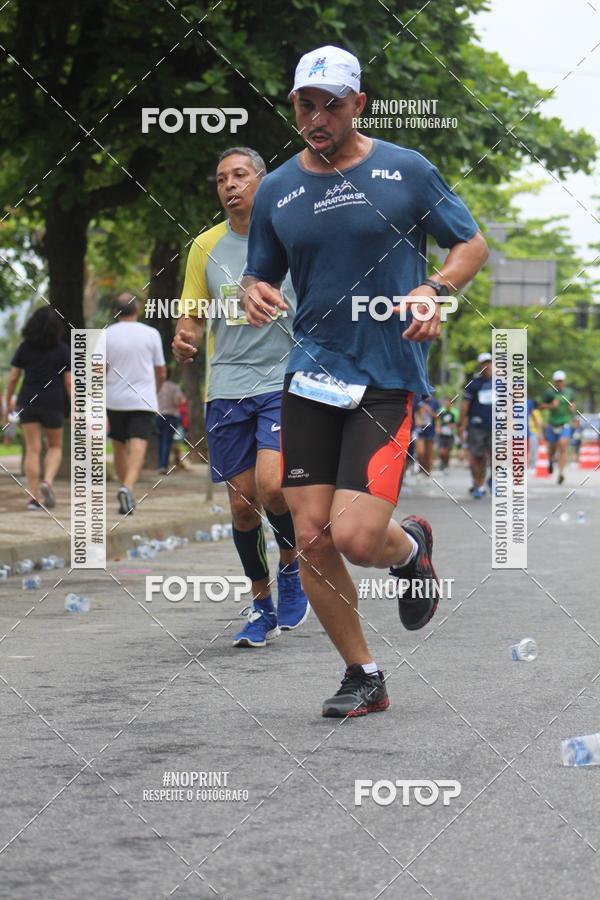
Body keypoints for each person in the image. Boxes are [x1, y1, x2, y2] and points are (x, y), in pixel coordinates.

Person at [241, 46, 488, 716]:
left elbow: (470, 243)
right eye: (305, 103)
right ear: (293, 103)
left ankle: (408, 548)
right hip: (312, 373)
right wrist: (254, 291)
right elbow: (259, 272)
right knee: (310, 534)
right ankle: (364, 675)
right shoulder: (277, 189)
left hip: (385, 374)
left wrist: (436, 290)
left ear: (360, 104)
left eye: (332, 103)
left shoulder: (405, 171)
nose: (317, 117)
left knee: (354, 536)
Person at [172, 146, 309, 647]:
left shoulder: (294, 236)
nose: (230, 186)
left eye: (240, 176)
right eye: (221, 179)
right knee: (243, 507)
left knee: (274, 488)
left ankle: (292, 566)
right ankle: (260, 603)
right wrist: (185, 335)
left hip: (283, 379)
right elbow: (192, 312)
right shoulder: (204, 247)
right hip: (227, 385)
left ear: (263, 181)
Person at [4, 306, 71, 510]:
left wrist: (7, 403)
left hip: (28, 401)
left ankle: (33, 497)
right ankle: (48, 482)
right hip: (54, 402)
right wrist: (78, 408)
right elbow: (69, 383)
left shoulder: (25, 347)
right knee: (55, 446)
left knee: (32, 449)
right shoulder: (62, 349)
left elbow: (14, 377)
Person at [106, 293, 166, 514]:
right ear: (137, 311)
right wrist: (156, 388)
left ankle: (125, 491)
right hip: (142, 398)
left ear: (115, 312)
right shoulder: (151, 334)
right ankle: (127, 487)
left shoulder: (106, 335)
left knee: (119, 443)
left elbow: (98, 369)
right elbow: (161, 369)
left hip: (114, 399)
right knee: (139, 441)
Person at [459, 352, 493, 499]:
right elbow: (465, 405)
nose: (487, 366)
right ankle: (478, 484)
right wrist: (461, 423)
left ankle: (492, 481)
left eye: (489, 362)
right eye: (484, 363)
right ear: (480, 365)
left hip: (496, 426)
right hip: (476, 426)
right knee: (477, 456)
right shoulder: (473, 384)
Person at [539, 370, 576, 485]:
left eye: (561, 381)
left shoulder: (569, 392)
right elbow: (541, 406)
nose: (559, 383)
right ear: (554, 382)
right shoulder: (549, 393)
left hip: (564, 423)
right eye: (557, 381)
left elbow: (573, 406)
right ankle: (550, 460)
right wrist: (551, 405)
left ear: (564, 381)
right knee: (552, 448)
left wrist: (572, 409)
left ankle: (561, 473)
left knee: (563, 445)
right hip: (552, 424)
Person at [156, 366, 185, 474]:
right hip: (170, 416)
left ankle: (160, 465)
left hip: (158, 416)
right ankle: (163, 466)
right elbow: (178, 402)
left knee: (159, 441)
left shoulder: (156, 387)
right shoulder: (174, 387)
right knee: (167, 441)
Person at [414, 394, 440, 475]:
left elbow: (438, 416)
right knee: (420, 452)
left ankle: (427, 472)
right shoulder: (417, 399)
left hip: (430, 430)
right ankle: (421, 469)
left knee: (428, 453)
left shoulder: (434, 402)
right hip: (419, 430)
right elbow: (413, 412)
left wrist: (429, 411)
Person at [437, 396, 458, 471]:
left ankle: (446, 464)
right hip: (441, 434)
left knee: (447, 451)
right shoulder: (440, 410)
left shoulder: (455, 412)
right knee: (441, 451)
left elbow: (457, 423)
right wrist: (438, 428)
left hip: (450, 435)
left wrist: (453, 426)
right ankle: (442, 462)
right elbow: (437, 421)